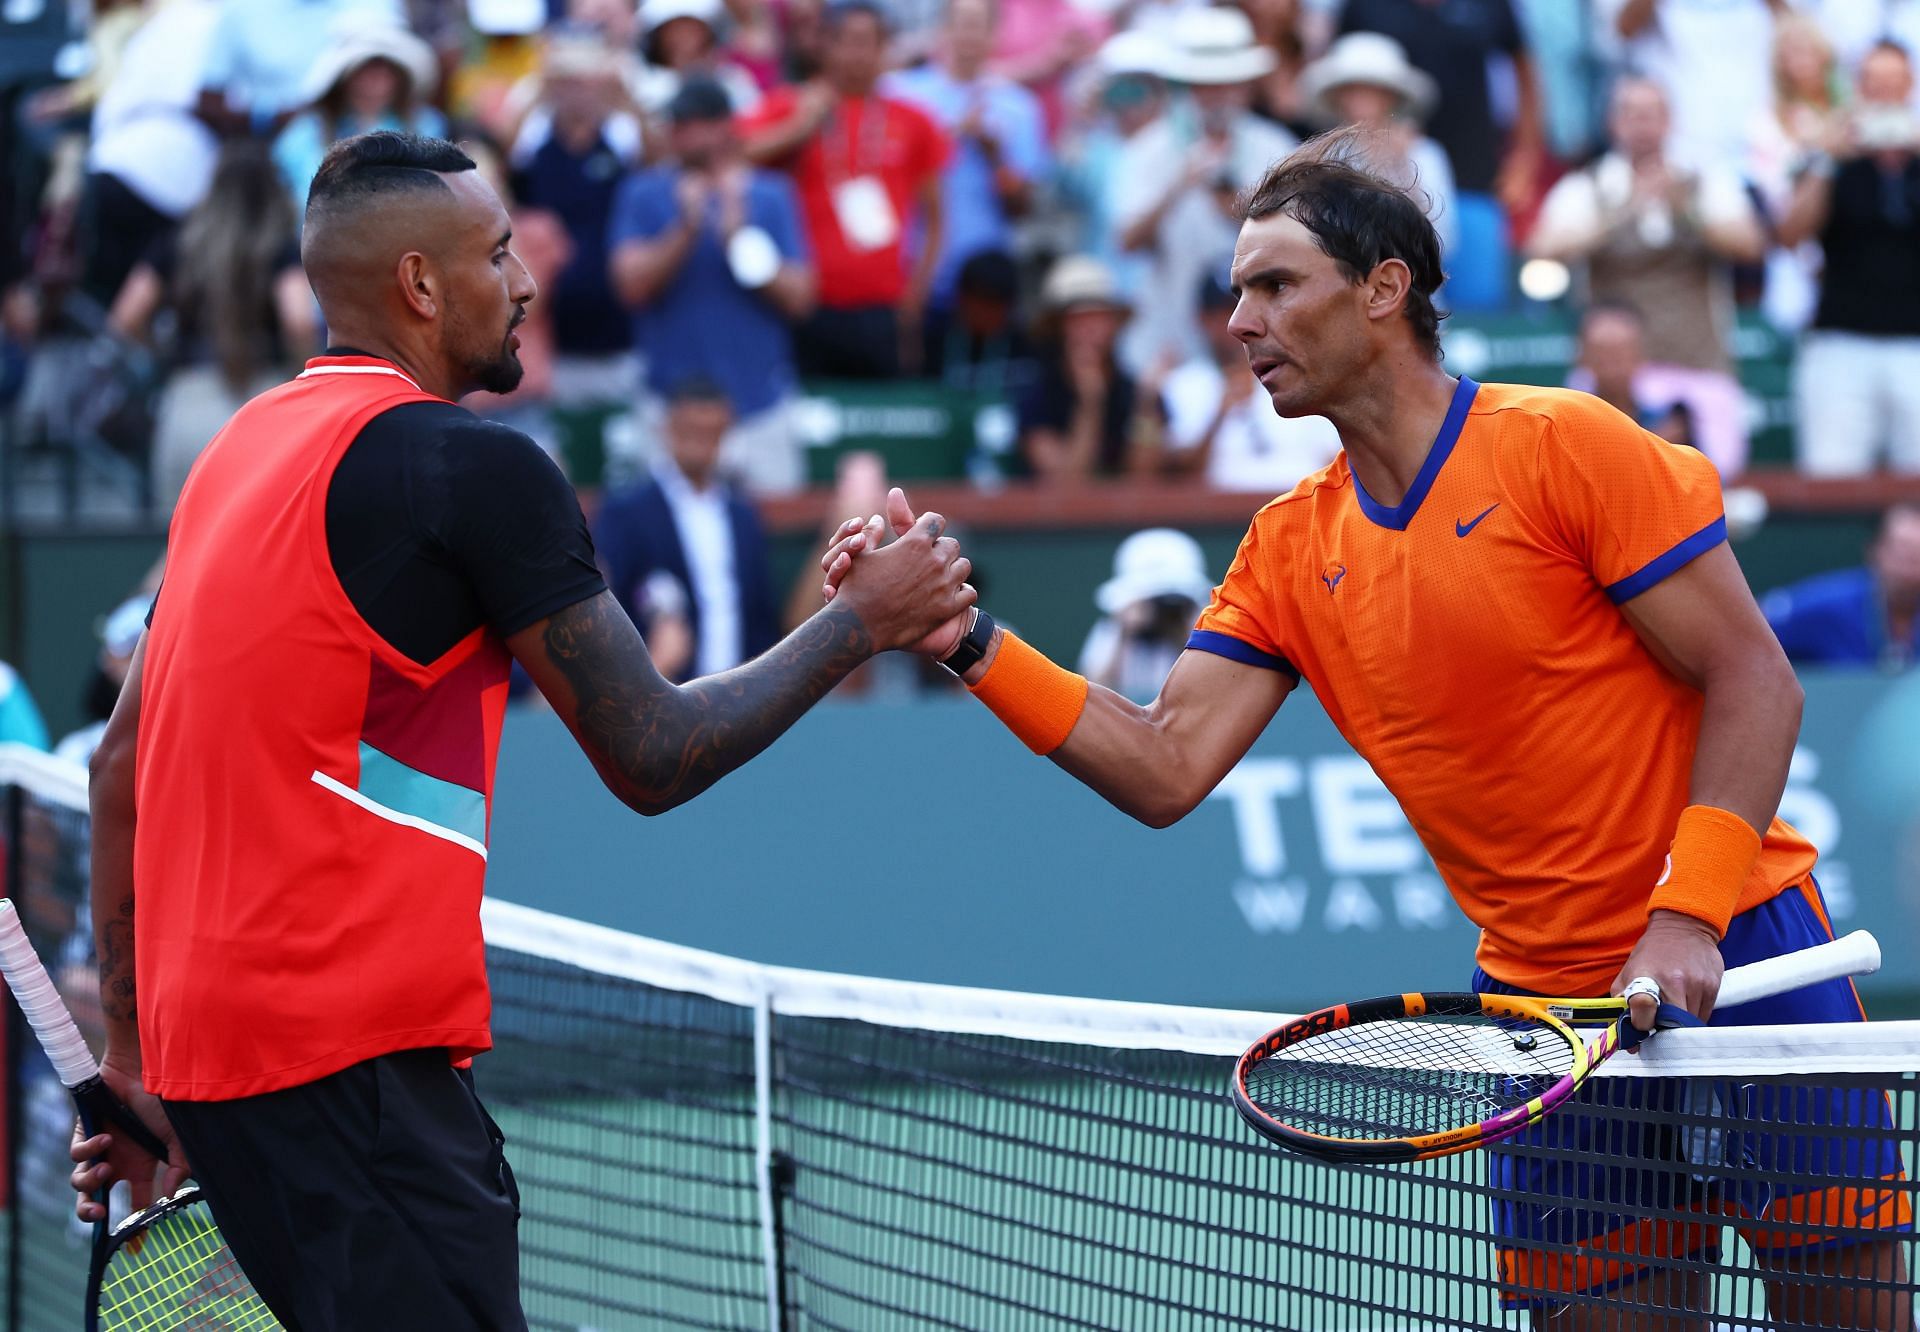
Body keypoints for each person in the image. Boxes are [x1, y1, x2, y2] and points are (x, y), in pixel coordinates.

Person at [821, 129, 1911, 1329]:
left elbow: (1756, 678)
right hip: (1543, 1028)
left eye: (1275, 284)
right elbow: (1165, 765)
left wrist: (1686, 914)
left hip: (1748, 957)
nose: (1240, 320)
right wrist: (967, 642)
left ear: (1384, 288)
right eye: (1237, 289)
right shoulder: (1286, 551)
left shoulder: (1565, 447)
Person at [68, 131, 972, 1329]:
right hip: (354, 1074)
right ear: (421, 286)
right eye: (498, 254)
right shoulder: (479, 471)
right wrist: (861, 622)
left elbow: (118, 764)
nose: (530, 282)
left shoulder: (240, 448)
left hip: (218, 1071)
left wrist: (136, 1069)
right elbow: (653, 753)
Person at [1528, 76, 1766, 476]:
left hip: (1698, 367)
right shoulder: (1589, 186)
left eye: (1651, 115)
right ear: (1613, 123)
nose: (1642, 125)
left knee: (1708, 485)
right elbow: (1542, 249)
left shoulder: (1704, 180)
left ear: (1669, 121)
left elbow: (1750, 244)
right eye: (1631, 114)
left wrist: (1688, 211)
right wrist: (1622, 213)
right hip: (1611, 383)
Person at [610, 77, 815, 494]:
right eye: (678, 123)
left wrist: (740, 239)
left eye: (696, 122)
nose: (683, 133)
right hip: (670, 408)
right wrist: (685, 230)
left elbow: (801, 298)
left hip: (759, 406)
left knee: (774, 541)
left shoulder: (770, 194)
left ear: (725, 125)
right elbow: (630, 286)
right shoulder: (643, 192)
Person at [740, 0, 949, 378]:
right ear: (827, 45)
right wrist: (797, 130)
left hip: (885, 306)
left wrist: (916, 294)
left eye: (868, 42)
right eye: (847, 41)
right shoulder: (792, 104)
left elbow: (934, 218)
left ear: (884, 48)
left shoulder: (914, 120)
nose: (857, 54)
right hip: (807, 303)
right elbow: (733, 155)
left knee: (885, 423)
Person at [108, 140, 317, 509]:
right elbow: (299, 320)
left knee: (181, 551)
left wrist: (159, 356)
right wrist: (305, 374)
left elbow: (125, 317)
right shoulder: (280, 247)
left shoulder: (178, 243)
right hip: (263, 402)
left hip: (187, 400)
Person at [1114, 6, 1295, 373]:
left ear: (1245, 85)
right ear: (1188, 87)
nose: (1217, 94)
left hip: (1264, 343)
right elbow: (1127, 241)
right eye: (1205, 83)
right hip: (1173, 343)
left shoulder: (1275, 148)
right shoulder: (1149, 149)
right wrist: (1178, 187)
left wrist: (1237, 209)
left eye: (1228, 82)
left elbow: (1298, 245)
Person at [1333, 0, 1545, 311]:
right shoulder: (1362, 6)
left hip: (1474, 177)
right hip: (1383, 168)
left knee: (1477, 313)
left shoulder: (1493, 6)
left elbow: (1523, 65)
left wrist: (1526, 156)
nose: (1363, 98)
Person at [1776, 40, 1920, 476]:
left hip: (1915, 344)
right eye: (1875, 84)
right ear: (1858, 88)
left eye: (1894, 83)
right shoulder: (1830, 155)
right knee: (1831, 480)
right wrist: (1826, 159)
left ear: (1910, 86)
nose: (1885, 94)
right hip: (1840, 341)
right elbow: (1789, 234)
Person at [594, 378, 780, 680]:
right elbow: (609, 606)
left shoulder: (743, 516)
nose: (701, 443)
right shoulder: (626, 512)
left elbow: (760, 614)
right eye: (691, 431)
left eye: (712, 433)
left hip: (744, 698)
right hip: (661, 693)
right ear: (668, 427)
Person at [886, 0, 1051, 322]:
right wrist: (951, 134)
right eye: (961, 23)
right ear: (943, 29)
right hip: (910, 273)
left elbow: (1022, 208)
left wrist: (994, 155)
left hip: (982, 286)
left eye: (978, 25)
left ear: (995, 34)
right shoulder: (899, 94)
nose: (969, 35)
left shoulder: (1019, 106)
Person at [1153, 273, 1341, 491]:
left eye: (1244, 310)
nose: (1236, 323)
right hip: (1219, 517)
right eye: (1223, 313)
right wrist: (1220, 414)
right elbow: (1175, 475)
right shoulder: (1181, 384)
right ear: (1202, 319)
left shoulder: (1305, 376)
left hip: (1304, 509)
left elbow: (1336, 460)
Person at [1297, 31, 1458, 261]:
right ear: (1338, 96)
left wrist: (1401, 166)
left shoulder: (1424, 154)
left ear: (1389, 97)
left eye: (1369, 90)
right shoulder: (1322, 158)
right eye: (1352, 89)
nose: (1359, 99)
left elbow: (1443, 239)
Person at [272, 20, 446, 215]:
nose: (375, 80)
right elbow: (291, 193)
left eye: (384, 71)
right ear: (345, 78)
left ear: (398, 78)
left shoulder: (425, 124)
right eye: (365, 70)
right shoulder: (306, 132)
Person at [1017, 254, 1162, 482]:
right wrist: (1090, 403)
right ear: (1058, 328)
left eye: (1099, 318)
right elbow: (1066, 484)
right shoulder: (1036, 397)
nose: (1090, 330)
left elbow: (1144, 480)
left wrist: (1147, 406)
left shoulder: (1135, 391)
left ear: (1114, 324)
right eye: (1078, 320)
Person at [1761, 502, 1920, 670]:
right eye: (1902, 552)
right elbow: (1755, 623)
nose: (1909, 567)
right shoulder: (1828, 603)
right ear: (1875, 551)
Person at [1077, 528, 1215, 703]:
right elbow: (1093, 690)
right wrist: (1125, 632)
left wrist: (1191, 635)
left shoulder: (1201, 623)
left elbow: (1214, 687)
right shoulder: (1115, 628)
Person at [1572, 300, 1692, 444]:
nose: (1611, 368)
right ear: (1584, 358)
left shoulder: (1667, 423)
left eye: (1619, 356)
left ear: (1640, 356)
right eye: (1601, 357)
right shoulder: (1571, 425)